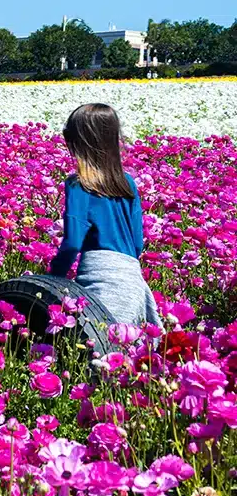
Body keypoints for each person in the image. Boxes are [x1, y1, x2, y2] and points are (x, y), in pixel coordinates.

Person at [49, 103, 160, 328]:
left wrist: (51, 279)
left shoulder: (79, 185)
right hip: (132, 278)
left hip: (100, 278)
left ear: (76, 142)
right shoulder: (127, 183)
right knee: (126, 343)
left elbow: (72, 242)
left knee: (99, 342)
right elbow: (137, 243)